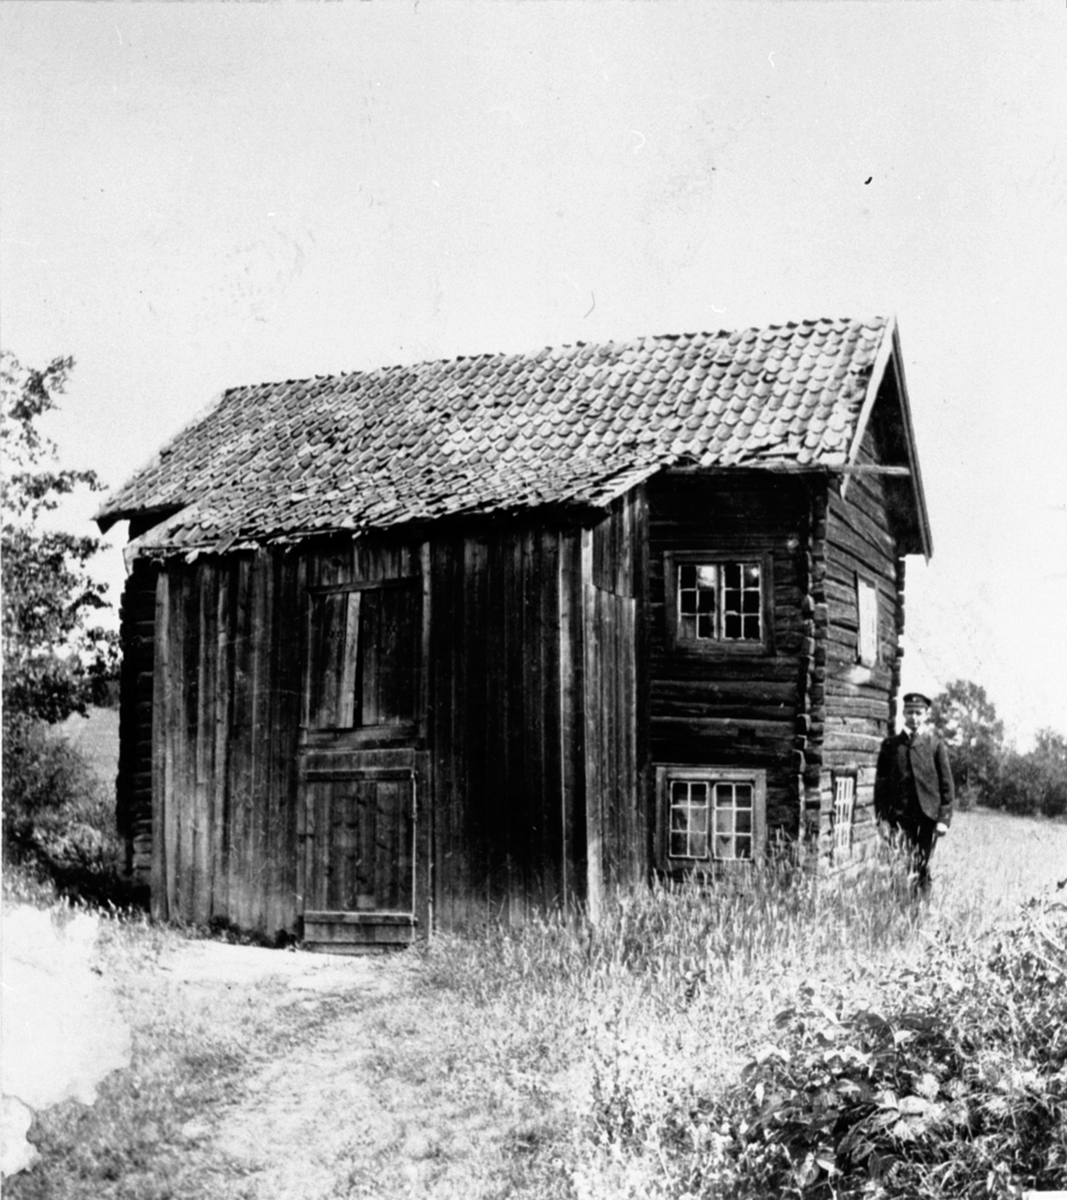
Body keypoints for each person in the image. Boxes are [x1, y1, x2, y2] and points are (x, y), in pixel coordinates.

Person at [875, 692, 954, 895]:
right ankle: (899, 905)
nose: (914, 717)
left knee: (922, 864)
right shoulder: (891, 746)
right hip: (900, 817)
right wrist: (882, 819)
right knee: (901, 863)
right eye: (910, 712)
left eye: (918, 713)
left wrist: (943, 819)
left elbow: (946, 786)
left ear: (925, 714)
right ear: (903, 713)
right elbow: (881, 788)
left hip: (928, 817)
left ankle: (921, 907)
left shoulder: (934, 746)